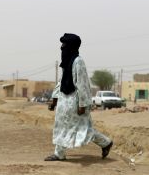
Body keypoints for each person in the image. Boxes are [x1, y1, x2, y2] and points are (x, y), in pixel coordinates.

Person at [45, 33, 113, 161]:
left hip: (75, 102)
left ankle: (106, 143)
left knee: (83, 129)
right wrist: (54, 100)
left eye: (64, 44)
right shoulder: (66, 62)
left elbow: (83, 85)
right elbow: (61, 82)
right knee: (61, 126)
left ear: (70, 46)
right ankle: (59, 153)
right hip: (64, 101)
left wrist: (82, 105)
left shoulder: (78, 61)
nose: (61, 47)